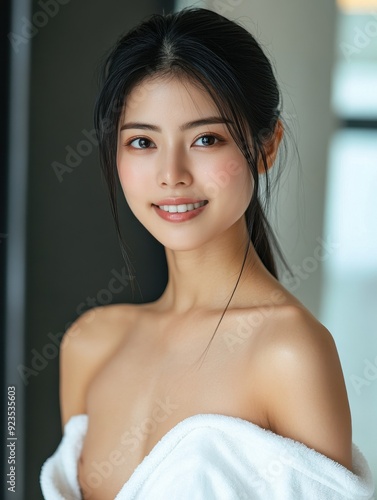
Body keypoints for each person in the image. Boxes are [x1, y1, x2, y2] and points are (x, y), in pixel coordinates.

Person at [40, 6, 374, 500]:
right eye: (142, 142)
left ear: (267, 147)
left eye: (205, 138)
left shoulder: (290, 351)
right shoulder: (91, 344)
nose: (171, 174)